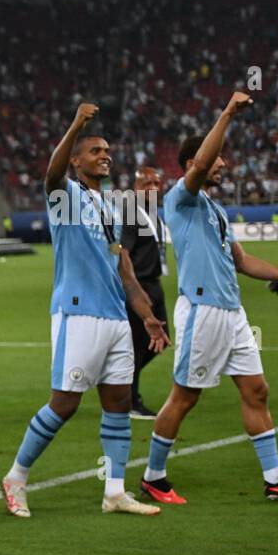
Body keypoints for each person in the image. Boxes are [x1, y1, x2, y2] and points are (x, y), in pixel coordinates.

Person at [0, 103, 169, 519]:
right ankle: (16, 477)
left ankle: (114, 491)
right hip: (78, 313)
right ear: (77, 161)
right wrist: (76, 124)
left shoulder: (111, 207)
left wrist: (147, 315)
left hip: (115, 318)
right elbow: (51, 175)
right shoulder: (66, 196)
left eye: (107, 150)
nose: (105, 156)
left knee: (118, 402)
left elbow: (125, 269)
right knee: (65, 403)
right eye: (95, 151)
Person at [141, 92, 278, 504]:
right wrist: (228, 112)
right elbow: (199, 163)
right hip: (203, 311)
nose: (224, 163)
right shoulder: (181, 197)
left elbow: (242, 260)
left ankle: (275, 478)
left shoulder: (214, 210)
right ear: (197, 161)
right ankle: (153, 476)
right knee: (185, 396)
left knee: (257, 391)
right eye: (218, 158)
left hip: (232, 314)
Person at [121, 166, 169, 418]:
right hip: (139, 285)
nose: (152, 188)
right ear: (135, 188)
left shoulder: (152, 214)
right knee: (140, 344)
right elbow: (121, 252)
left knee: (161, 339)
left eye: (156, 184)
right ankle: (130, 400)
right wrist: (135, 288)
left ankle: (123, 381)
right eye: (146, 184)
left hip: (154, 283)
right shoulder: (131, 213)